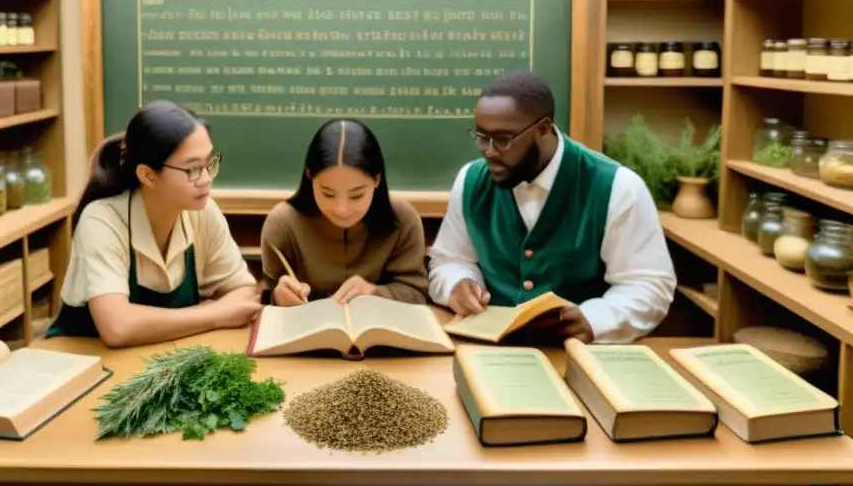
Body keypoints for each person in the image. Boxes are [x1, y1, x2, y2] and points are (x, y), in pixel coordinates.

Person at [427, 71, 676, 344]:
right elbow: (449, 260)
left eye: (502, 139)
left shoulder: (619, 187)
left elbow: (648, 286)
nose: (489, 151)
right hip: (487, 352)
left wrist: (593, 319)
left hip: (580, 356)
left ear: (544, 129)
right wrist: (457, 283)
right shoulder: (471, 180)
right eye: (481, 137)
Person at [48, 101, 261, 347]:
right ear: (148, 175)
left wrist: (218, 311)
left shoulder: (203, 212)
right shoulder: (101, 220)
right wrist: (215, 314)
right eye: (192, 169)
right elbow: (118, 327)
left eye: (209, 162)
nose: (205, 179)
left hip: (159, 361)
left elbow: (243, 293)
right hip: (90, 366)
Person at [260, 119, 429, 306]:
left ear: (377, 180)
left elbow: (417, 293)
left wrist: (374, 291)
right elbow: (266, 295)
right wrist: (278, 297)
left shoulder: (403, 219)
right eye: (328, 193)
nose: (342, 210)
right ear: (309, 177)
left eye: (356, 196)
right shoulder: (282, 224)